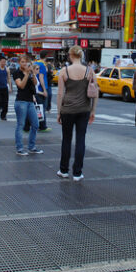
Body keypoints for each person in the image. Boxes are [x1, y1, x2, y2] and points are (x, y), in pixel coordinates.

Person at [55, 45, 97, 181]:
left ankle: (64, 170)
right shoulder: (90, 71)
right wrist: (93, 110)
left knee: (66, 140)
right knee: (81, 140)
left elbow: (60, 93)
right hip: (84, 109)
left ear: (71, 55)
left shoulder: (64, 71)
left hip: (67, 109)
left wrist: (58, 112)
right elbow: (95, 92)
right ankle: (77, 172)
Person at [12, 54, 44, 156]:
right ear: (19, 63)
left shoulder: (30, 72)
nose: (24, 64)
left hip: (30, 101)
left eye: (26, 62)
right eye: (22, 62)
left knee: (35, 124)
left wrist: (32, 73)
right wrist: (26, 74)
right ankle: (19, 148)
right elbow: (21, 85)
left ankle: (31, 147)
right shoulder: (17, 73)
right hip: (21, 101)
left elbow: (35, 83)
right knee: (20, 125)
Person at [33, 62, 49, 131]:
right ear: (33, 69)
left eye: (38, 69)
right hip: (35, 95)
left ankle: (40, 125)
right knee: (40, 110)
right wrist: (43, 92)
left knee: (37, 110)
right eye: (37, 69)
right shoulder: (33, 77)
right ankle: (42, 126)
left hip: (37, 94)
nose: (38, 70)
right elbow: (33, 89)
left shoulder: (35, 76)